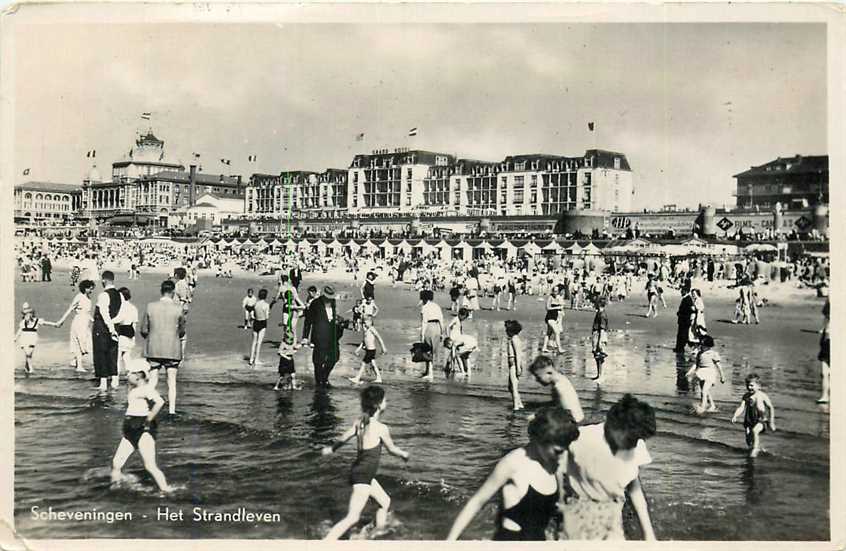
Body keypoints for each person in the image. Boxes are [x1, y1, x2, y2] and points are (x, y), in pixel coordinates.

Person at [448, 406, 579, 541]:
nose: (563, 457)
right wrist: (449, 543)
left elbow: (560, 509)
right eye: (558, 451)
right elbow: (477, 501)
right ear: (540, 439)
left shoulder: (555, 464)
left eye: (566, 449)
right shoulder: (513, 463)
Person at [561, 394, 657, 540]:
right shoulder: (580, 439)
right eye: (631, 439)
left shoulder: (636, 443)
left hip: (611, 517)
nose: (634, 444)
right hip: (576, 517)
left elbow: (634, 488)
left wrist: (648, 534)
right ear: (614, 426)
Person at [322, 386, 410, 540]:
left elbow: (344, 438)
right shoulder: (381, 428)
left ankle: (377, 534)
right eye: (385, 400)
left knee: (384, 502)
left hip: (360, 471)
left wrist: (331, 449)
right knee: (353, 517)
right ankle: (325, 543)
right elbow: (391, 449)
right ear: (379, 405)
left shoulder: (359, 422)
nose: (386, 402)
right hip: (363, 475)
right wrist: (403, 454)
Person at [110, 358, 174, 493]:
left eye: (130, 373)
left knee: (150, 465)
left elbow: (160, 402)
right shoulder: (133, 390)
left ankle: (166, 490)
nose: (127, 375)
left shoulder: (146, 389)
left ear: (139, 376)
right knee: (116, 463)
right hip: (130, 429)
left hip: (143, 429)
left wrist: (149, 417)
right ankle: (115, 488)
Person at [140, 279, 186, 416]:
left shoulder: (150, 306)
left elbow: (143, 329)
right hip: (172, 349)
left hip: (154, 348)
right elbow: (182, 331)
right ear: (173, 292)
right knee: (171, 382)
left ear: (161, 291)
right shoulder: (179, 308)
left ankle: (147, 408)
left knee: (152, 381)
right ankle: (171, 411)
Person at [307, 285, 345, 387]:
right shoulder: (315, 303)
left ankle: (324, 377)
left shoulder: (333, 302)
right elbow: (308, 320)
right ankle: (319, 381)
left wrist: (338, 322)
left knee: (335, 357)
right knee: (318, 360)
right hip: (319, 336)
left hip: (332, 335)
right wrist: (305, 337)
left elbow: (333, 317)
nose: (329, 298)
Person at [528, 355, 585, 423]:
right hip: (577, 418)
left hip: (575, 422)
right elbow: (558, 403)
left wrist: (539, 416)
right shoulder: (561, 379)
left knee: (531, 420)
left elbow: (568, 413)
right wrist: (539, 405)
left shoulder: (559, 387)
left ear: (549, 373)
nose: (537, 380)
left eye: (538, 377)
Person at [55, 280, 96, 373]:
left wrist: (94, 321)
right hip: (79, 322)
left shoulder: (88, 298)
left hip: (85, 322)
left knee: (87, 343)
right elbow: (70, 309)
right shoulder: (79, 297)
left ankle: (76, 361)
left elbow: (87, 313)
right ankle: (79, 366)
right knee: (80, 343)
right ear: (85, 288)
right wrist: (61, 321)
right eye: (90, 288)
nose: (91, 290)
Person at [731, 373, 776, 457]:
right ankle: (754, 447)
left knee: (755, 431)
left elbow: (770, 407)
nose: (749, 387)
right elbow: (741, 407)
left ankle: (755, 449)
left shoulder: (762, 395)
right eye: (747, 385)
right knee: (748, 438)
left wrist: (771, 422)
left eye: (752, 385)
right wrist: (735, 415)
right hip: (749, 420)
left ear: (759, 386)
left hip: (761, 420)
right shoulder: (746, 396)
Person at [92, 270, 122, 391]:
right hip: (115, 327)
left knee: (101, 354)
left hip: (103, 329)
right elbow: (121, 313)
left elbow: (104, 314)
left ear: (103, 280)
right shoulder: (119, 295)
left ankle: (103, 384)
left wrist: (110, 329)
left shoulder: (103, 295)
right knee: (112, 354)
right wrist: (115, 327)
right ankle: (115, 382)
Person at [15, 302, 61, 374]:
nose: (27, 315)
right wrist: (15, 338)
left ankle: (27, 367)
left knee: (29, 354)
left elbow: (46, 323)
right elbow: (20, 330)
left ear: (31, 313)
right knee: (28, 353)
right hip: (24, 338)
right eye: (25, 313)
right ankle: (31, 369)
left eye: (29, 313)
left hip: (32, 338)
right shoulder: (22, 322)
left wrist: (55, 324)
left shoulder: (37, 320)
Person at [688, 335, 725, 413]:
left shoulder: (713, 354)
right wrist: (690, 372)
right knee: (705, 391)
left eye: (703, 344)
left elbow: (718, 366)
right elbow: (696, 365)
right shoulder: (699, 354)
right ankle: (712, 405)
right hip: (701, 372)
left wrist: (722, 376)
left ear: (708, 346)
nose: (701, 346)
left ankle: (702, 407)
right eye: (700, 344)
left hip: (710, 373)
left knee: (704, 391)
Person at [349, 317, 386, 385]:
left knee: (363, 363)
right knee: (373, 364)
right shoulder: (366, 330)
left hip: (371, 350)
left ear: (371, 322)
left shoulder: (372, 329)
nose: (365, 324)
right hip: (368, 350)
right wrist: (358, 349)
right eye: (364, 322)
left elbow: (379, 338)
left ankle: (357, 378)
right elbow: (364, 341)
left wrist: (383, 348)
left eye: (366, 322)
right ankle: (379, 378)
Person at [418, 289, 444, 382]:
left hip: (429, 327)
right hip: (437, 327)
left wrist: (422, 334)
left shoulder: (424, 307)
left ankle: (430, 373)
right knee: (432, 350)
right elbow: (441, 320)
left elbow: (424, 321)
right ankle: (428, 371)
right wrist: (442, 332)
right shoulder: (437, 306)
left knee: (426, 350)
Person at [114, 287, 139, 382]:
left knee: (117, 357)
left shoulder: (122, 307)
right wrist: (134, 338)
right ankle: (130, 376)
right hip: (130, 333)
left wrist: (107, 321)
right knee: (126, 356)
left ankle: (115, 378)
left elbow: (119, 319)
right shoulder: (133, 308)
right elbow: (135, 323)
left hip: (122, 332)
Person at [505, 320, 525, 411]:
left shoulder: (514, 339)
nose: (506, 332)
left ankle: (515, 407)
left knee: (514, 387)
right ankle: (519, 404)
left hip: (514, 365)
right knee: (510, 387)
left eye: (507, 330)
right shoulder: (513, 339)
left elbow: (518, 354)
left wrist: (518, 368)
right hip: (512, 365)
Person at [172, 267, 192, 358]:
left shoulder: (181, 284)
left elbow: (183, 298)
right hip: (180, 308)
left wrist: (178, 310)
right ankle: (178, 352)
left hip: (180, 309)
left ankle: (181, 353)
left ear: (177, 275)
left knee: (180, 330)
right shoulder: (181, 283)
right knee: (178, 330)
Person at [249, 289, 271, 367]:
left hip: (256, 322)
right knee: (259, 342)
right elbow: (267, 317)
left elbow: (252, 314)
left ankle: (251, 359)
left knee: (254, 342)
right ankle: (256, 359)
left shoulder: (256, 304)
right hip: (262, 323)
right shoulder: (266, 305)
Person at [542, 286, 565, 354]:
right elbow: (547, 308)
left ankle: (544, 347)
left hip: (554, 318)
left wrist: (560, 315)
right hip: (550, 318)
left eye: (557, 291)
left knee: (548, 333)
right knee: (557, 332)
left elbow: (561, 307)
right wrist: (557, 307)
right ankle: (559, 348)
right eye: (554, 291)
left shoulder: (558, 297)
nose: (555, 292)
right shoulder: (550, 297)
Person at [591, 297, 609, 381]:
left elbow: (602, 329)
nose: (594, 305)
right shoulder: (599, 313)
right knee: (597, 356)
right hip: (597, 334)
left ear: (598, 304)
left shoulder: (602, 315)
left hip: (599, 335)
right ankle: (598, 374)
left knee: (600, 355)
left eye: (595, 303)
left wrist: (599, 341)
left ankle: (601, 375)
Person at [674, 283, 694, 353]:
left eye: (682, 290)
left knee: (682, 334)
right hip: (683, 320)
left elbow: (690, 310)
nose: (681, 292)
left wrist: (680, 313)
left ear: (685, 291)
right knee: (681, 334)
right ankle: (679, 347)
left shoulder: (688, 299)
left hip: (684, 320)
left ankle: (680, 348)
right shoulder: (686, 298)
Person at [817, 299, 830, 404]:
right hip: (827, 340)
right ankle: (825, 395)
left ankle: (826, 395)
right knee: (824, 372)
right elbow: (825, 318)